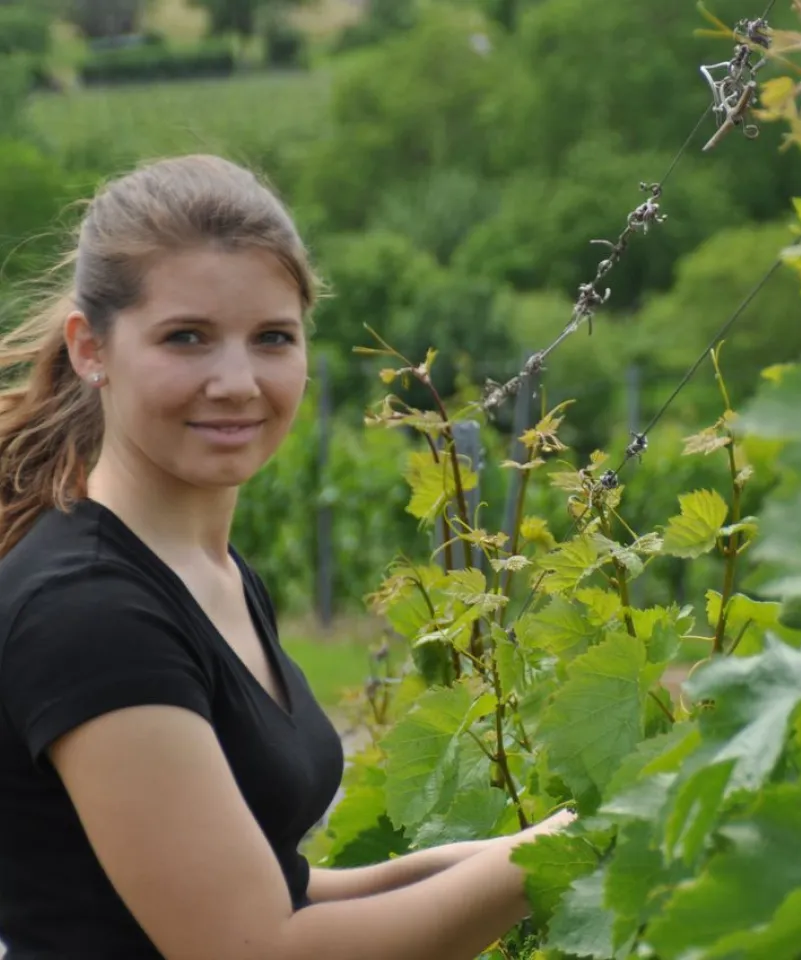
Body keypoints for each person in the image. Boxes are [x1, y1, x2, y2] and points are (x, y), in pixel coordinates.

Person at [0, 155, 575, 960]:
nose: (238, 382)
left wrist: (542, 846)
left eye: (272, 338)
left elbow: (277, 889)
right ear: (90, 348)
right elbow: (255, 949)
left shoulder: (206, 573)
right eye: (187, 338)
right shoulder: (90, 614)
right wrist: (554, 855)